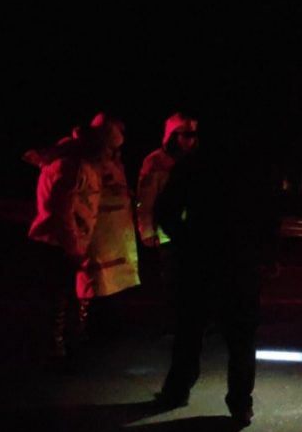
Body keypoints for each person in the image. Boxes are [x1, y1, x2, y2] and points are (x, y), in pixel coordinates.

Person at [152, 122, 269, 427]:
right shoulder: (253, 169)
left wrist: (183, 240)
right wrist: (267, 256)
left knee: (190, 330)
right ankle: (241, 404)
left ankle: (177, 390)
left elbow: (165, 210)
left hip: (199, 261)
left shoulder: (193, 166)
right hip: (240, 263)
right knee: (241, 336)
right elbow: (270, 217)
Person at [25, 124, 104, 358]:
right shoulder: (71, 166)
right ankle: (56, 350)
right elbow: (62, 210)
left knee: (59, 298)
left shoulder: (63, 162)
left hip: (55, 240)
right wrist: (73, 247)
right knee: (60, 300)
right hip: (57, 242)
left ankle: (57, 347)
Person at [75, 113, 141, 333]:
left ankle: (107, 325)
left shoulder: (112, 160)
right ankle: (90, 327)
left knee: (111, 281)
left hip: (113, 229)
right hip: (98, 229)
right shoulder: (92, 161)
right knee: (96, 280)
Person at [136, 113, 199, 332]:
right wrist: (147, 230)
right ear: (173, 136)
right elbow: (146, 198)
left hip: (194, 231)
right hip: (168, 232)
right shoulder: (155, 161)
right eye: (187, 135)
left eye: (194, 135)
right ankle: (173, 322)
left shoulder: (194, 159)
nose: (192, 140)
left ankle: (191, 320)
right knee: (172, 278)